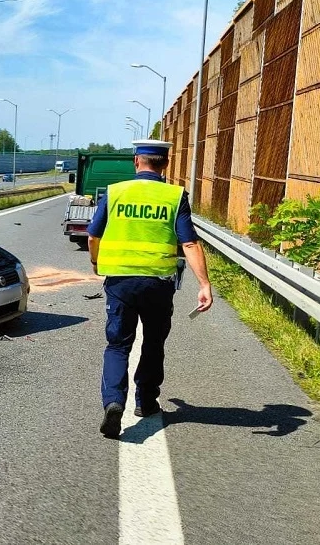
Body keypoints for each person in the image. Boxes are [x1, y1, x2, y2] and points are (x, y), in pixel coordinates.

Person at [86, 139, 214, 439]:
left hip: (120, 282)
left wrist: (96, 263)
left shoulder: (115, 192)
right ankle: (145, 401)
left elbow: (93, 236)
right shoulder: (174, 196)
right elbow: (190, 243)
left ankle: (114, 402)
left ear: (136, 162)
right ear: (165, 164)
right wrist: (204, 284)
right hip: (158, 284)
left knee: (118, 344)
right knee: (153, 342)